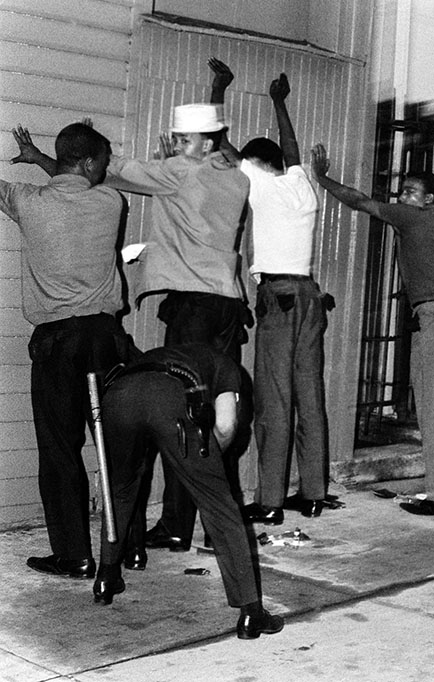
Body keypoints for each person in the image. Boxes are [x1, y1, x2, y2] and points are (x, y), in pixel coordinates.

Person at [14, 106, 252, 551]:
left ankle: (144, 535)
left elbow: (104, 173)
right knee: (168, 422)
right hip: (224, 304)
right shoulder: (235, 177)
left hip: (186, 309)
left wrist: (50, 156)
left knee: (176, 417)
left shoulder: (178, 172)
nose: (174, 146)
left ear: (205, 142)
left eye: (184, 140)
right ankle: (151, 535)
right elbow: (91, 180)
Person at [311, 145, 434, 518]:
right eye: (402, 191)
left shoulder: (415, 218)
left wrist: (322, 178)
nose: (401, 196)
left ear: (429, 199)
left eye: (409, 191)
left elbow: (359, 201)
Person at [5, 122, 136, 580]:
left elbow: (52, 186)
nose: (104, 170)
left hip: (58, 344)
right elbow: (78, 183)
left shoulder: (27, 202)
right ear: (88, 163)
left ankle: (75, 555)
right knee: (116, 444)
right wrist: (46, 160)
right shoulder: (111, 202)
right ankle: (129, 548)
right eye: (100, 162)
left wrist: (40, 162)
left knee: (60, 450)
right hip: (105, 339)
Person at [91, 343, 284, 640]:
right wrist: (206, 467)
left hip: (118, 395)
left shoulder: (164, 353)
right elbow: (225, 424)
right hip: (171, 395)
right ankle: (251, 612)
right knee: (220, 505)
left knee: (120, 490)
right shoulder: (228, 367)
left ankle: (106, 578)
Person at [208, 59, 328, 525]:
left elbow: (219, 143)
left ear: (257, 164)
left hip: (279, 299)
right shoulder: (301, 184)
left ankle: (272, 501)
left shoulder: (258, 183)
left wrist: (220, 87)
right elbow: (293, 148)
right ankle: (313, 493)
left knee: (274, 403)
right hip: (311, 300)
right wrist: (280, 102)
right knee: (309, 397)